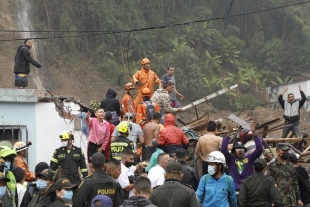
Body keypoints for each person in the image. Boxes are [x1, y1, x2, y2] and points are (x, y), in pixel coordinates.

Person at [221, 123, 263, 192]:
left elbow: (259, 149)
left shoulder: (250, 158)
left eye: (242, 149)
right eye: (237, 149)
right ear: (234, 151)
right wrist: (228, 133)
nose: (240, 150)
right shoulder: (231, 160)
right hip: (234, 191)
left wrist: (254, 133)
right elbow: (223, 149)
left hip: (248, 190)